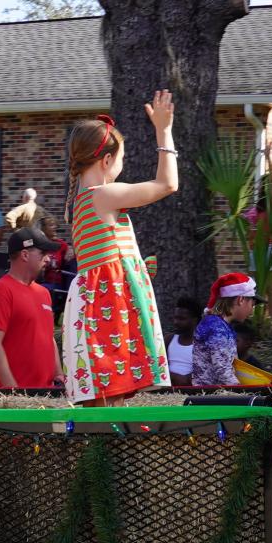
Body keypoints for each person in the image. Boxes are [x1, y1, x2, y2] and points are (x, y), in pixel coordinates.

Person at [60, 93, 177, 404]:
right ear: (107, 160)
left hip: (93, 302)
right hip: (109, 303)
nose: (121, 167)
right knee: (112, 392)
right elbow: (168, 184)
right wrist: (163, 131)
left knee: (106, 393)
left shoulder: (80, 200)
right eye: (121, 160)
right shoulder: (103, 195)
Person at [0, 230, 58, 391]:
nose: (48, 259)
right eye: (43, 253)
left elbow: (49, 337)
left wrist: (59, 375)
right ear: (25, 255)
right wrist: (12, 390)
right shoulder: (0, 291)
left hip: (45, 393)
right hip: (12, 400)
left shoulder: (43, 293)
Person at [188, 273, 257, 388]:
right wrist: (243, 393)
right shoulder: (216, 328)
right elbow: (223, 370)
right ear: (240, 300)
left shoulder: (221, 325)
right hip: (211, 396)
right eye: (252, 305)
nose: (251, 312)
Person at [164, 297, 200, 384]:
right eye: (175, 318)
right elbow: (157, 366)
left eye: (181, 319)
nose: (176, 322)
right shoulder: (168, 339)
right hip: (166, 391)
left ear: (195, 320)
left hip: (192, 392)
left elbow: (204, 372)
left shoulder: (203, 343)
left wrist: (185, 379)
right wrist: (175, 377)